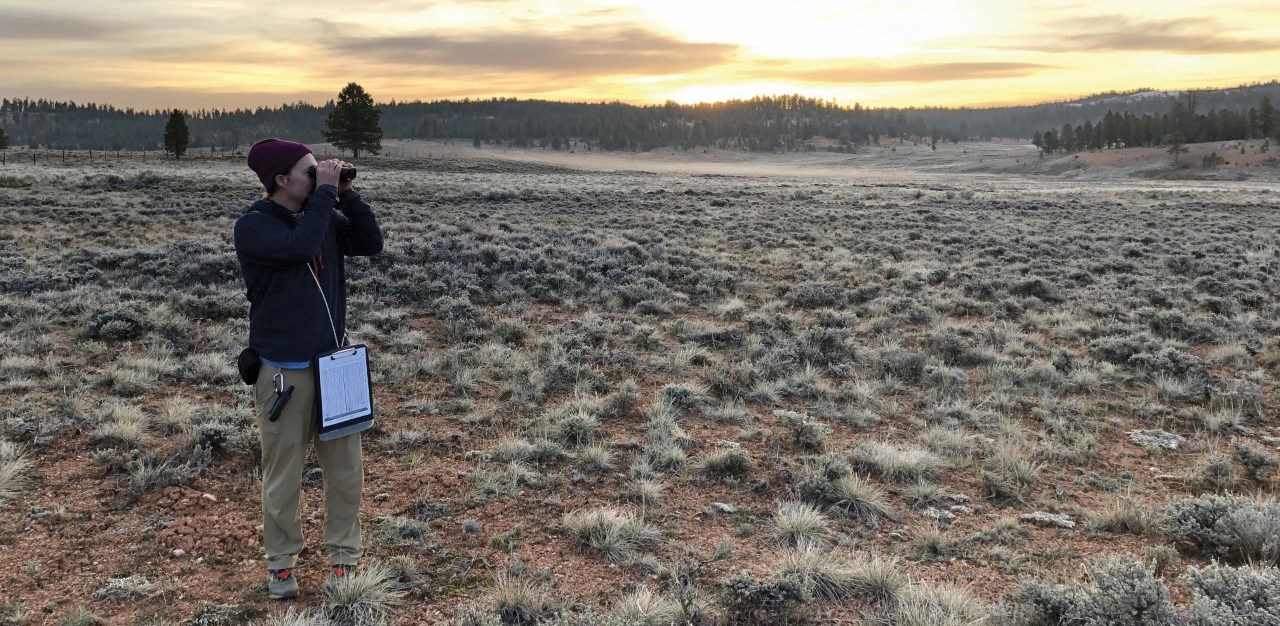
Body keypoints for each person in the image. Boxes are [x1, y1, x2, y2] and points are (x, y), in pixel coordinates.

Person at [234, 138, 383, 599]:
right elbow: (299, 247)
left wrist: (347, 193)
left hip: (335, 366)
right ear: (281, 180)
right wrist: (325, 194)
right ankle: (281, 564)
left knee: (346, 471)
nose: (321, 174)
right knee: (284, 472)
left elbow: (371, 243)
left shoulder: (325, 215)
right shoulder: (253, 227)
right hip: (284, 372)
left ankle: (342, 558)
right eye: (310, 170)